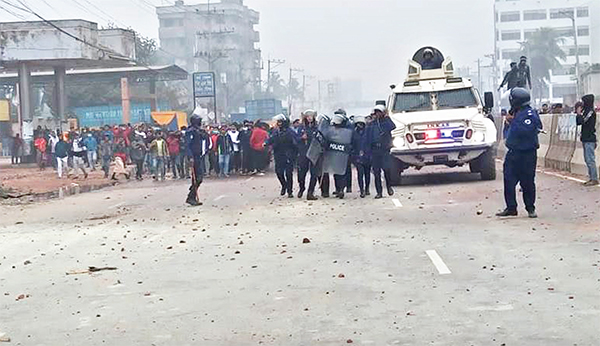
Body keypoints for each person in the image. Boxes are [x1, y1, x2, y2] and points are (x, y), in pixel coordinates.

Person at [497, 88, 542, 218]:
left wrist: (513, 121)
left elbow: (525, 130)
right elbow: (507, 133)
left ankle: (530, 208)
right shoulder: (515, 113)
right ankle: (511, 207)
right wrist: (508, 122)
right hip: (513, 152)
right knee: (508, 180)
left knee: (527, 182)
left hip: (526, 153)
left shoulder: (529, 114)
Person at [321, 109, 354, 199]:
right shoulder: (331, 127)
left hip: (343, 153)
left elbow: (350, 139)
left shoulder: (349, 126)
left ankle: (342, 189)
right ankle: (338, 189)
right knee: (336, 171)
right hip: (334, 152)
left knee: (342, 172)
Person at [366, 105, 396, 199]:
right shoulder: (372, 124)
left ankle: (389, 187)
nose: (377, 114)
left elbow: (392, 126)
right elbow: (368, 137)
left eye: (379, 112)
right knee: (376, 172)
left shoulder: (386, 122)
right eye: (376, 112)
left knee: (387, 169)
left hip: (384, 150)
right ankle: (379, 192)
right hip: (375, 150)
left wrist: (387, 117)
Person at [266, 114, 297, 197]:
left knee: (288, 174)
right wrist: (266, 143)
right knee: (279, 172)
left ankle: (290, 192)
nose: (279, 124)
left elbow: (295, 142)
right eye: (278, 122)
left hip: (288, 155)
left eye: (280, 122)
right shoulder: (276, 131)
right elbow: (271, 139)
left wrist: (294, 154)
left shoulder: (290, 132)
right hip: (278, 154)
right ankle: (284, 185)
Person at [186, 115, 211, 206]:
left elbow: (205, 139)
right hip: (194, 156)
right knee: (198, 178)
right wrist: (190, 157)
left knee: (197, 178)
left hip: (199, 156)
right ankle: (191, 196)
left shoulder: (198, 131)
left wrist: (203, 133)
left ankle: (192, 195)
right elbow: (187, 145)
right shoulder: (190, 132)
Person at [576, 95, 598, 186]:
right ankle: (591, 177)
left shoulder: (590, 112)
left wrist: (579, 114)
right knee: (587, 159)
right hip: (585, 138)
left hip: (590, 138)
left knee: (590, 159)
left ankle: (594, 178)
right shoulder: (586, 112)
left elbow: (583, 121)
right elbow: (578, 122)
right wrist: (579, 114)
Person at [297, 110, 318, 199]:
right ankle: (302, 187)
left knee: (314, 174)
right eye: (308, 116)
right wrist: (301, 138)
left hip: (314, 152)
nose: (309, 118)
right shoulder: (301, 127)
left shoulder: (317, 127)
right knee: (301, 173)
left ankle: (310, 192)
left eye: (311, 116)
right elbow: (296, 139)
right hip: (303, 152)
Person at [351, 116, 371, 198]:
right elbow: (352, 145)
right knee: (360, 174)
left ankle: (367, 188)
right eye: (358, 124)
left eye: (361, 124)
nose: (360, 126)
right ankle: (362, 190)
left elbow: (370, 143)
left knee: (367, 174)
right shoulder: (354, 133)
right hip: (358, 156)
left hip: (367, 155)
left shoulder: (368, 132)